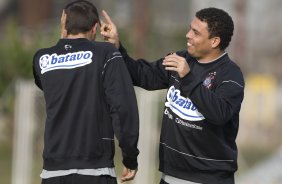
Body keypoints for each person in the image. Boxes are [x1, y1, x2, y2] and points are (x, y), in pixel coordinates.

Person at [100, 7, 245, 184]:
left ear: (214, 41)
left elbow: (220, 113)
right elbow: (142, 75)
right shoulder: (181, 58)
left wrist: (188, 78)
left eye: (195, 32)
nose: (188, 35)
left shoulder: (231, 74)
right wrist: (117, 47)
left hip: (208, 179)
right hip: (169, 175)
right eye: (190, 28)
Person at [32, 1, 139, 184]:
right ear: (95, 27)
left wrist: (63, 41)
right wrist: (130, 156)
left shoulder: (42, 58)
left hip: (53, 172)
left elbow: (52, 85)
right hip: (95, 170)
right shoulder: (106, 53)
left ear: (63, 23)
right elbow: (122, 108)